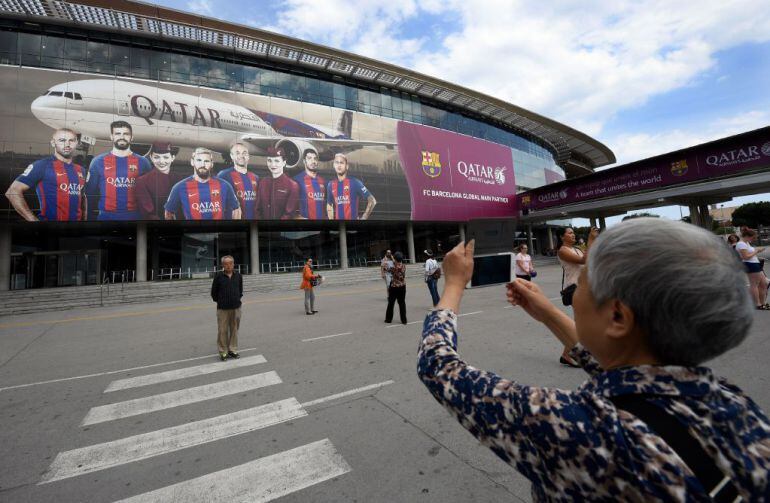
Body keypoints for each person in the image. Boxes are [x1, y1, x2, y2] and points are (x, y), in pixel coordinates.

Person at [418, 219, 770, 501]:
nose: (574, 293)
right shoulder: (733, 404)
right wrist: (550, 315)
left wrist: (453, 286)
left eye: (583, 284)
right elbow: (630, 374)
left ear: (618, 317)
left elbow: (438, 366)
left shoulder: (581, 428)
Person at [5, 128, 86, 221]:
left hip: (76, 231)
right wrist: (33, 220)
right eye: (62, 140)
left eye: (71, 140)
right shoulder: (42, 165)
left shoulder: (81, 170)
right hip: (49, 230)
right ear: (53, 143)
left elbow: (83, 198)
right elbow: (12, 191)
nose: (67, 144)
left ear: (77, 143)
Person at [85, 121, 151, 220]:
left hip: (135, 218)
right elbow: (90, 193)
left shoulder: (143, 162)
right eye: (118, 133)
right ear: (111, 136)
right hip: (106, 218)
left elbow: (149, 194)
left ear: (131, 137)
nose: (122, 137)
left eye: (126, 134)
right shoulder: (98, 161)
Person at [556, 227, 598, 367]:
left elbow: (588, 260)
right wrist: (590, 238)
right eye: (569, 233)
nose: (573, 235)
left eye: (573, 232)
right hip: (574, 288)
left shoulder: (577, 249)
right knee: (583, 322)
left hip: (584, 287)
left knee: (582, 322)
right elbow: (582, 260)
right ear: (562, 237)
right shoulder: (563, 251)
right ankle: (568, 353)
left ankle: (569, 352)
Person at [164, 148, 241, 220]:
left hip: (218, 233)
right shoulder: (179, 187)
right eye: (199, 160)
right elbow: (168, 213)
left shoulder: (224, 185)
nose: (202, 165)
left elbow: (236, 209)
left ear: (212, 164)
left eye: (206, 161)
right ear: (192, 162)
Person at [135, 142, 183, 220]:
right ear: (151, 157)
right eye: (157, 157)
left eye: (166, 157)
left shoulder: (180, 180)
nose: (161, 161)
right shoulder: (142, 181)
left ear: (172, 158)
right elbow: (148, 213)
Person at [210, 255, 243, 361]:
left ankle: (232, 349)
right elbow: (213, 292)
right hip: (223, 309)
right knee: (222, 330)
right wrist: (220, 301)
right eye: (226, 264)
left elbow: (240, 290)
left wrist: (237, 299)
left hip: (236, 308)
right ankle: (223, 351)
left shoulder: (238, 275)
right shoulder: (218, 276)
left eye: (230, 263)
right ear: (222, 265)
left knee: (234, 329)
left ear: (233, 264)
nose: (228, 266)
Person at [326, 153, 376, 220]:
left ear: (347, 166)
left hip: (353, 228)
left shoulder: (355, 182)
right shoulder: (330, 185)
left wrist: (364, 218)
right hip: (339, 228)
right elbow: (329, 205)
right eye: (337, 162)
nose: (339, 165)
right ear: (334, 165)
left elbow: (372, 201)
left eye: (341, 163)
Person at [217, 143, 259, 220]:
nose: (241, 156)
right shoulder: (224, 175)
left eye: (244, 153)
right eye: (237, 153)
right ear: (231, 156)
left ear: (248, 156)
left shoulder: (255, 177)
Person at [257, 147, 299, 220]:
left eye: (277, 161)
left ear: (284, 162)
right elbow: (257, 209)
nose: (273, 165)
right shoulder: (263, 182)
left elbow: (289, 214)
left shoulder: (292, 185)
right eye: (269, 160)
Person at [736, 226, 768, 310]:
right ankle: (757, 304)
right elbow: (746, 257)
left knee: (764, 283)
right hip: (749, 264)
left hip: (755, 263)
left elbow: (750, 253)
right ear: (747, 236)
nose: (753, 239)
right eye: (753, 238)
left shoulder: (746, 243)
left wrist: (757, 251)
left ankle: (762, 303)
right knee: (754, 284)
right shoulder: (741, 244)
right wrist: (756, 251)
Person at [294, 151, 326, 220]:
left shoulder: (322, 181)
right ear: (304, 161)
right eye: (309, 158)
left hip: (322, 226)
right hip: (306, 227)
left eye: (315, 158)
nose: (313, 161)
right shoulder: (297, 180)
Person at [385, 251, 407, 324]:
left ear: (395, 258)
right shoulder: (403, 266)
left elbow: (386, 270)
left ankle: (388, 319)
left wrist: (389, 260)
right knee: (402, 303)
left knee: (391, 303)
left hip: (394, 287)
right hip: (402, 286)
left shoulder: (393, 267)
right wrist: (393, 258)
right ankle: (404, 320)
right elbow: (396, 262)